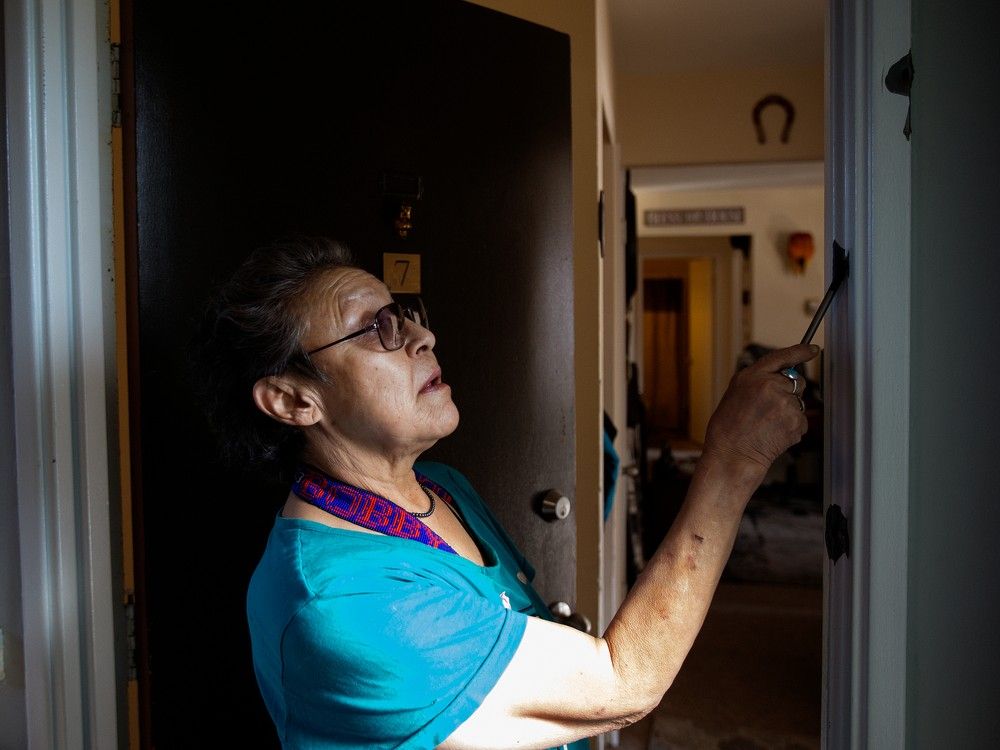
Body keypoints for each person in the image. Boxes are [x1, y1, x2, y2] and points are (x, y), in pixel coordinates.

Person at [198, 237, 818, 749]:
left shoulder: (440, 489)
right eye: (376, 328)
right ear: (293, 400)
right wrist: (735, 459)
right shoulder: (341, 604)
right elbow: (622, 682)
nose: (421, 337)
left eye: (407, 312)